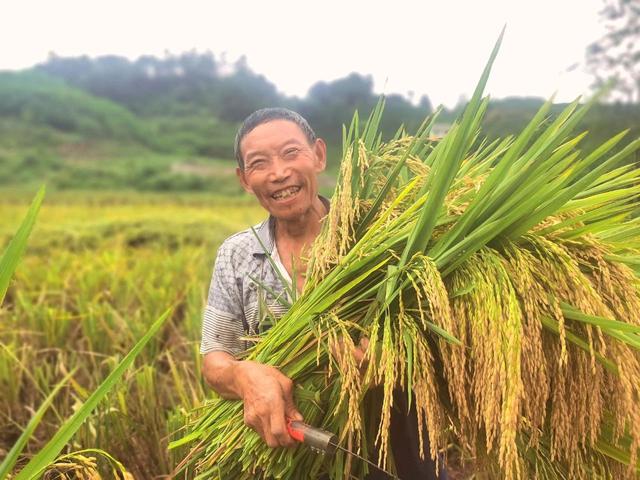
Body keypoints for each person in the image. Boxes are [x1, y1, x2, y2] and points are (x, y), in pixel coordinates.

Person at [200, 108, 445, 479]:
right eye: (259, 163)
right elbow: (215, 360)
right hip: (291, 453)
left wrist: (392, 354)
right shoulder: (236, 255)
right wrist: (243, 376)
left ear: (318, 154)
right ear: (244, 179)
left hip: (395, 445)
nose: (279, 172)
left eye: (290, 152)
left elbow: (443, 331)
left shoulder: (380, 236)